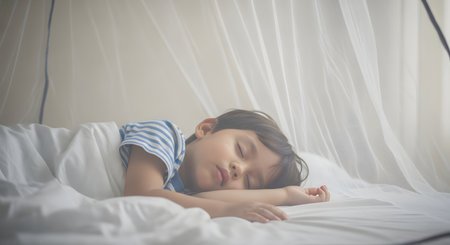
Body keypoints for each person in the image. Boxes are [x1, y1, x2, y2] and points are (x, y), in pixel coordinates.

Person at [121, 109, 330, 223]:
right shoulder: (165, 135)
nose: (239, 169)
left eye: (249, 181)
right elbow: (141, 196)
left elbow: (203, 200)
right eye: (241, 150)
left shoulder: (185, 194)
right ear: (207, 128)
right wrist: (228, 209)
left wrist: (286, 195)